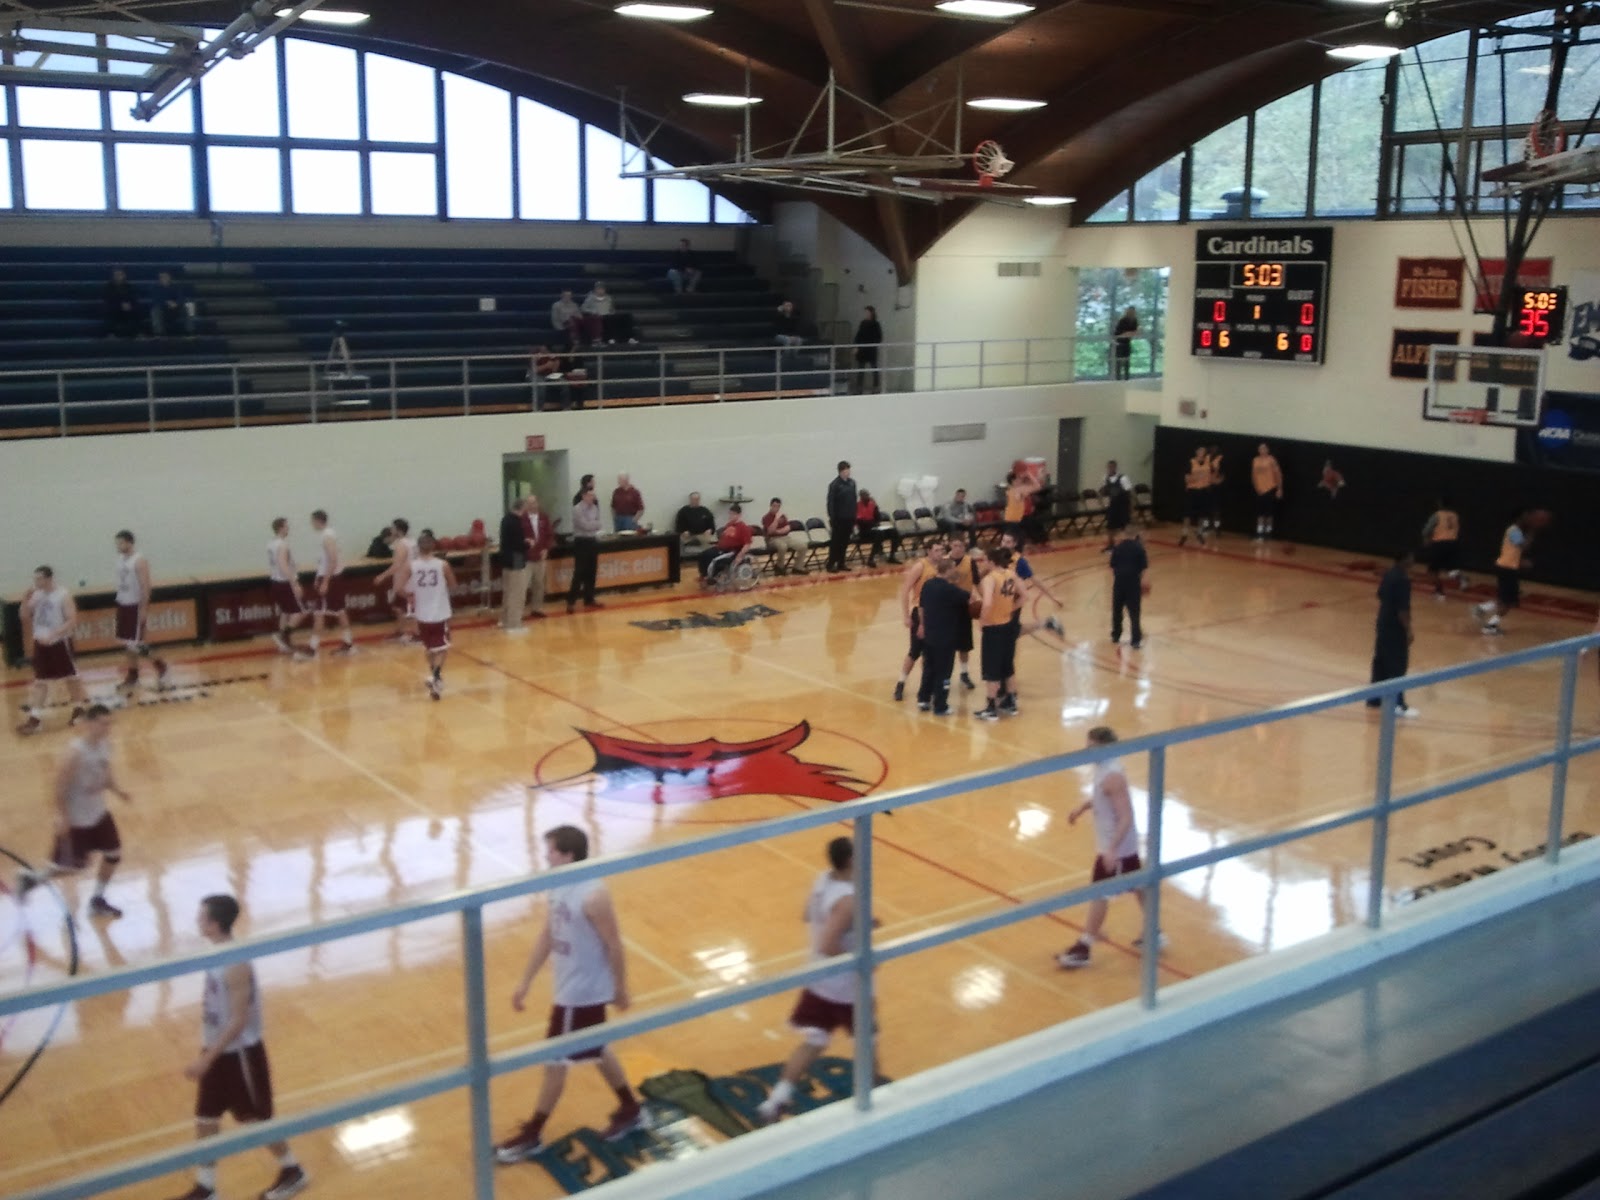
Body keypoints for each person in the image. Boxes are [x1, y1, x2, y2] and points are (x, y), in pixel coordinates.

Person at [496, 825, 642, 1160]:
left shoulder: (593, 895)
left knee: (554, 1060)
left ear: (568, 855)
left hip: (581, 992)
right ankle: (631, 1108)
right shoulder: (559, 885)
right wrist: (526, 980)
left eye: (551, 851)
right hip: (568, 985)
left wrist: (620, 988)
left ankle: (533, 1134)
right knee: (597, 1048)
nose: (545, 856)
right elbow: (549, 933)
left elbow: (614, 944)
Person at [170, 894, 308, 1200]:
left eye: (201, 917)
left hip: (239, 1055)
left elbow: (238, 1020)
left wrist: (207, 1059)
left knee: (255, 1120)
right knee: (206, 1117)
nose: (197, 921)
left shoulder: (235, 964)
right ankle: (206, 1188)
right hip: (216, 1050)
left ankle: (293, 1170)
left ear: (214, 924)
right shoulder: (216, 953)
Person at [756, 836, 875, 1124]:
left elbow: (808, 915)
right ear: (850, 860)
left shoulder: (823, 880)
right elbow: (829, 944)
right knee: (868, 1042)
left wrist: (860, 923)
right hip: (847, 986)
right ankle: (872, 1104)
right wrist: (862, 960)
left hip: (818, 979)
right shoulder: (848, 899)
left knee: (814, 1040)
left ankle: (775, 1101)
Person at [1056, 727, 1161, 969]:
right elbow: (1102, 797)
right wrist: (1082, 808)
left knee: (1099, 893)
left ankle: (1084, 946)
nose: (1087, 751)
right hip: (1120, 845)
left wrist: (1112, 850)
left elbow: (1126, 816)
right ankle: (1155, 931)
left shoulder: (1113, 777)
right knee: (1138, 885)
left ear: (1104, 747)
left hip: (1116, 846)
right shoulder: (1103, 768)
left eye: (1091, 746)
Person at [17, 703, 131, 917]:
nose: (107, 729)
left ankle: (98, 900)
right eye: (103, 724)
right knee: (75, 867)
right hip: (78, 820)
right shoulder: (75, 753)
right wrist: (62, 816)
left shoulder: (106, 745)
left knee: (114, 854)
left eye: (109, 724)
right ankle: (31, 879)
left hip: (99, 814)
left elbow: (106, 771)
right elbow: (59, 786)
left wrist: (118, 791)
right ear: (89, 724)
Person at [17, 567, 89, 735]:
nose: (36, 582)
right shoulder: (36, 595)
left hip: (59, 642)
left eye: (39, 579)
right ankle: (35, 719)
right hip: (41, 642)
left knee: (71, 678)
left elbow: (72, 620)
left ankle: (79, 709)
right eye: (35, 579)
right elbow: (24, 616)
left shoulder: (63, 595)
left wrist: (53, 634)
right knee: (40, 681)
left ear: (49, 579)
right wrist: (25, 600)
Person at [916, 557, 975, 716]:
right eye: (953, 568)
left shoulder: (927, 585)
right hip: (945, 637)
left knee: (929, 668)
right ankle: (940, 705)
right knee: (944, 672)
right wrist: (956, 583)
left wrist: (922, 625)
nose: (955, 570)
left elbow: (921, 606)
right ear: (948, 570)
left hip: (929, 634)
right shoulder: (951, 590)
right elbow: (970, 598)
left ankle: (923, 699)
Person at [113, 530, 170, 692]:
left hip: (135, 605)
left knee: (138, 645)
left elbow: (146, 586)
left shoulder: (139, 561)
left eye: (121, 543)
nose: (118, 546)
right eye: (117, 543)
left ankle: (162, 668)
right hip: (123, 604)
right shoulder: (120, 560)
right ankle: (133, 677)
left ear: (129, 543)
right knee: (128, 644)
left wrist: (143, 608)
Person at [973, 546, 1023, 721]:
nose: (983, 563)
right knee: (1007, 665)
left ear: (991, 561)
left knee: (992, 669)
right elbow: (1024, 596)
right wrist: (1010, 609)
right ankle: (1011, 702)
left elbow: (987, 603)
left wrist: (982, 620)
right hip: (1008, 625)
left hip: (994, 627)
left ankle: (991, 707)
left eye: (985, 560)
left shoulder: (990, 579)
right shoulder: (1011, 574)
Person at [1369, 549, 1420, 719]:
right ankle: (1397, 704)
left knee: (1381, 661)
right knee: (1397, 666)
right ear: (1404, 560)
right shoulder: (1403, 580)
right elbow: (1402, 610)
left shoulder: (1389, 574)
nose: (1413, 560)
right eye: (1411, 557)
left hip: (1383, 622)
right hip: (1395, 628)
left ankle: (1374, 699)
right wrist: (1408, 630)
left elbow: (1380, 595)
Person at [894, 540, 947, 702]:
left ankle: (927, 686)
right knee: (915, 651)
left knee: (931, 653)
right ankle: (901, 683)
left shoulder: (944, 566)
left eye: (941, 550)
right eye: (936, 550)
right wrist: (906, 615)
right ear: (928, 551)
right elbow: (905, 590)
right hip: (920, 611)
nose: (940, 553)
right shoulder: (920, 566)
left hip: (937, 613)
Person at [410, 532, 457, 700]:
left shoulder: (412, 565)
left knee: (429, 648)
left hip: (422, 614)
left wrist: (412, 595)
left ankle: (435, 679)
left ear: (418, 548)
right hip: (440, 612)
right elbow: (453, 585)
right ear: (433, 546)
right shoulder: (443, 564)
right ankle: (436, 677)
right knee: (442, 648)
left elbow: (400, 587)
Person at [1475, 511, 1532, 636]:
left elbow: (1515, 551)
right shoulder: (1514, 530)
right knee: (1508, 601)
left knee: (1507, 599)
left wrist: (1520, 561)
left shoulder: (1515, 531)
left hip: (1507, 567)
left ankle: (1482, 609)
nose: (1528, 519)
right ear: (1519, 518)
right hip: (1507, 568)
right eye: (1526, 517)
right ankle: (1490, 625)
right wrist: (1532, 532)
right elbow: (1523, 546)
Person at [308, 510, 354, 656]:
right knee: (339, 610)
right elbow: (325, 561)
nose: (311, 524)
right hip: (329, 577)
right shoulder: (328, 534)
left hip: (330, 578)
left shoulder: (327, 536)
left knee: (319, 612)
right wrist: (318, 577)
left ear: (317, 520)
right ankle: (348, 643)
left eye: (312, 521)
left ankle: (312, 648)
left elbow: (333, 560)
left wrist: (325, 581)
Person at [1000, 531, 1064, 635]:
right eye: (1003, 541)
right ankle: (1047, 623)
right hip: (1000, 599)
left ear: (1014, 544)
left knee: (1011, 632)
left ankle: (1047, 623)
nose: (1004, 544)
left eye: (1008, 542)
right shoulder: (997, 557)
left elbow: (1035, 581)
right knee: (1010, 632)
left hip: (1014, 600)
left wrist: (1052, 597)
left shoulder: (1020, 562)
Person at [266, 518, 312, 659]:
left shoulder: (271, 544)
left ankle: (283, 645)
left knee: (286, 612)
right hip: (285, 582)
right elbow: (283, 565)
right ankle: (283, 635)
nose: (288, 529)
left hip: (275, 581)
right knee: (303, 611)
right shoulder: (282, 545)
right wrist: (294, 583)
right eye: (286, 526)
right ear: (280, 528)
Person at [946, 532, 981, 691]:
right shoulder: (944, 562)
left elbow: (977, 583)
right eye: (955, 545)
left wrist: (986, 600)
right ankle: (945, 675)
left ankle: (964, 673)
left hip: (965, 606)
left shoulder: (970, 561)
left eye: (960, 546)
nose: (958, 548)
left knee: (964, 644)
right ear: (950, 545)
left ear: (964, 546)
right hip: (948, 607)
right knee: (947, 643)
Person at [1108, 527, 1148, 649]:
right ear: (1135, 535)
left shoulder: (1118, 548)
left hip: (1119, 582)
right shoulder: (1139, 548)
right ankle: (1135, 640)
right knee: (1134, 612)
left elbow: (1112, 566)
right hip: (1133, 582)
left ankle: (1116, 635)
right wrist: (1143, 581)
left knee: (1117, 609)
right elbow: (1144, 568)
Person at [500, 497, 533, 633]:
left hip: (506, 559)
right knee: (517, 593)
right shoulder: (516, 522)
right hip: (517, 559)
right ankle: (514, 624)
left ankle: (505, 620)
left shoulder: (506, 519)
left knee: (508, 592)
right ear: (523, 508)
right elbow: (518, 544)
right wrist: (528, 544)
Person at [568, 482, 603, 612]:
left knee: (592, 571)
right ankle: (571, 602)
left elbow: (599, 524)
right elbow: (585, 526)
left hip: (592, 541)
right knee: (579, 572)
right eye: (590, 495)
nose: (592, 498)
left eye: (593, 495)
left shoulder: (595, 508)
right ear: (583, 496)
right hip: (581, 542)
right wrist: (593, 524)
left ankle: (589, 599)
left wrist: (592, 524)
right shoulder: (577, 509)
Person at [699, 503, 753, 585]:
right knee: (703, 555)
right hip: (720, 548)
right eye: (730, 514)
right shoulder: (729, 525)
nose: (730, 516)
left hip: (731, 551)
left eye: (733, 514)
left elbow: (747, 544)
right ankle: (704, 575)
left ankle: (712, 577)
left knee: (715, 560)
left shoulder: (743, 528)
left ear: (739, 515)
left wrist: (740, 556)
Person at [1421, 497, 1465, 598]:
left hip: (1440, 544)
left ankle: (1439, 591)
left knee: (1432, 571)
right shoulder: (1455, 515)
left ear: (1440, 504)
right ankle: (1462, 579)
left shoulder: (1437, 515)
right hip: (1453, 544)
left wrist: (1426, 539)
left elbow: (1426, 530)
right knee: (1450, 568)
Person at [522, 495, 554, 621]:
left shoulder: (544, 517)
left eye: (534, 502)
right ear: (526, 505)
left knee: (539, 584)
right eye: (529, 503)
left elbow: (550, 535)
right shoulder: (522, 519)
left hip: (540, 557)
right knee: (523, 585)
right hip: (527, 558)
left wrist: (546, 548)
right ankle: (518, 611)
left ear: (537, 503)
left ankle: (537, 608)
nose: (532, 505)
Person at [855, 489, 901, 568]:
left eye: (868, 495)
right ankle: (871, 559)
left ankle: (892, 556)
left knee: (894, 532)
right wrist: (872, 523)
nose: (868, 497)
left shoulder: (872, 505)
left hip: (875, 528)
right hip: (864, 531)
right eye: (865, 495)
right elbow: (860, 522)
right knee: (879, 534)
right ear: (861, 497)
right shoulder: (857, 506)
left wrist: (876, 507)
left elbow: (878, 518)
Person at [826, 460, 858, 573]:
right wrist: (832, 517)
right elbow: (830, 503)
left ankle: (841, 563)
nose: (848, 472)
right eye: (845, 471)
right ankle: (831, 564)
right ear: (840, 471)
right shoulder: (834, 485)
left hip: (849, 517)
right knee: (836, 542)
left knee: (845, 542)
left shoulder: (852, 483)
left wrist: (854, 515)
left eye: (848, 470)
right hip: (839, 518)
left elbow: (854, 500)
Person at [1251, 443, 1284, 541]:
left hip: (1270, 489)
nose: (1262, 450)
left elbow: (1278, 474)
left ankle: (1268, 532)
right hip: (1259, 490)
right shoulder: (1255, 460)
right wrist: (1256, 487)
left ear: (1267, 450)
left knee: (1268, 513)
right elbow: (1253, 475)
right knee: (1260, 512)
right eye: (1260, 448)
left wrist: (1279, 488)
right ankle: (1260, 532)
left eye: (1264, 448)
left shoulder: (1271, 460)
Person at [1178, 447, 1210, 547]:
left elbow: (1211, 477)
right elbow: (1187, 479)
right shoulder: (1191, 462)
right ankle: (1184, 534)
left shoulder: (1208, 463)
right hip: (1192, 491)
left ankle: (1199, 533)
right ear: (1196, 452)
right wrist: (1197, 477)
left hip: (1204, 491)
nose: (1201, 452)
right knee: (1187, 514)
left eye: (1203, 451)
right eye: (1199, 450)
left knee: (1202, 515)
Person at [1099, 461, 1133, 552]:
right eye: (1109, 467)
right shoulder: (1105, 478)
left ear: (1115, 467)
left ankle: (1127, 546)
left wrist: (1131, 507)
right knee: (1110, 526)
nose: (1110, 469)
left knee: (1124, 526)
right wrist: (1102, 493)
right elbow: (1103, 491)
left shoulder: (1123, 478)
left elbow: (1129, 493)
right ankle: (1111, 545)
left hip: (1123, 505)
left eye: (1112, 467)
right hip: (1113, 505)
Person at [760, 498, 798, 575]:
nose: (776, 508)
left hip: (785, 537)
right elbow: (770, 531)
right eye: (774, 506)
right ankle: (780, 567)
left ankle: (798, 567)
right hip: (772, 539)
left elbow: (788, 528)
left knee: (802, 546)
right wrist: (776, 519)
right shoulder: (766, 517)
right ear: (770, 506)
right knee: (782, 546)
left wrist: (778, 531)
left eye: (778, 506)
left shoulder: (783, 516)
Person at [103, 267, 143, 338]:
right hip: (114, 309)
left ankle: (138, 333)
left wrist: (130, 306)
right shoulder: (108, 287)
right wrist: (120, 305)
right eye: (116, 275)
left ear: (124, 276)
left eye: (120, 274)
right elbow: (108, 300)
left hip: (128, 309)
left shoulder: (129, 287)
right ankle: (111, 334)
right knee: (108, 311)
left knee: (137, 310)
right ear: (113, 276)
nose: (118, 277)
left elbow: (134, 299)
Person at [151, 270, 193, 337]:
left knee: (189, 307)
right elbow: (156, 300)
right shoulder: (156, 288)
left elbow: (181, 298)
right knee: (155, 310)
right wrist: (166, 303)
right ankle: (158, 334)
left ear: (169, 277)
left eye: (165, 277)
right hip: (163, 309)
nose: (163, 278)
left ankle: (190, 332)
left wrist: (176, 303)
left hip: (176, 309)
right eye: (161, 277)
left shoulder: (176, 287)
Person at [852, 305, 883, 394]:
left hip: (871, 350)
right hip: (862, 350)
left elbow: (879, 337)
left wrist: (872, 344)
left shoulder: (876, 324)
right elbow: (858, 335)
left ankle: (876, 387)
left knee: (874, 368)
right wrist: (855, 346)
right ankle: (859, 388)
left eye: (867, 312)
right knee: (860, 369)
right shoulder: (863, 323)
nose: (866, 314)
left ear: (871, 313)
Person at [1002, 470, 1038, 541]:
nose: (1021, 480)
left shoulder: (1010, 490)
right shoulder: (1018, 490)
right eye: (1018, 479)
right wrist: (1029, 474)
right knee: (1014, 541)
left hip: (1012, 519)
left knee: (1015, 540)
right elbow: (1036, 486)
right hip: (1014, 520)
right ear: (1014, 481)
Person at [1112, 306, 1139, 380]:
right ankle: (1118, 379)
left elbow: (1134, 331)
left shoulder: (1134, 321)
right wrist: (1127, 333)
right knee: (1119, 362)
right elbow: (1118, 333)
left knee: (1127, 361)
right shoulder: (1123, 320)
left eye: (1133, 312)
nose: (1132, 313)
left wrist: (1131, 333)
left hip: (1127, 342)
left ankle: (1126, 378)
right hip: (1119, 343)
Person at [1205, 447, 1225, 537]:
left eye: (1215, 450)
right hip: (1207, 486)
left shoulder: (1221, 459)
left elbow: (1223, 475)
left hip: (1217, 488)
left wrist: (1218, 481)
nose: (1213, 451)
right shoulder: (1207, 459)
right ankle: (1206, 526)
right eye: (1212, 449)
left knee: (1216, 510)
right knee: (1206, 509)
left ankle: (1217, 528)